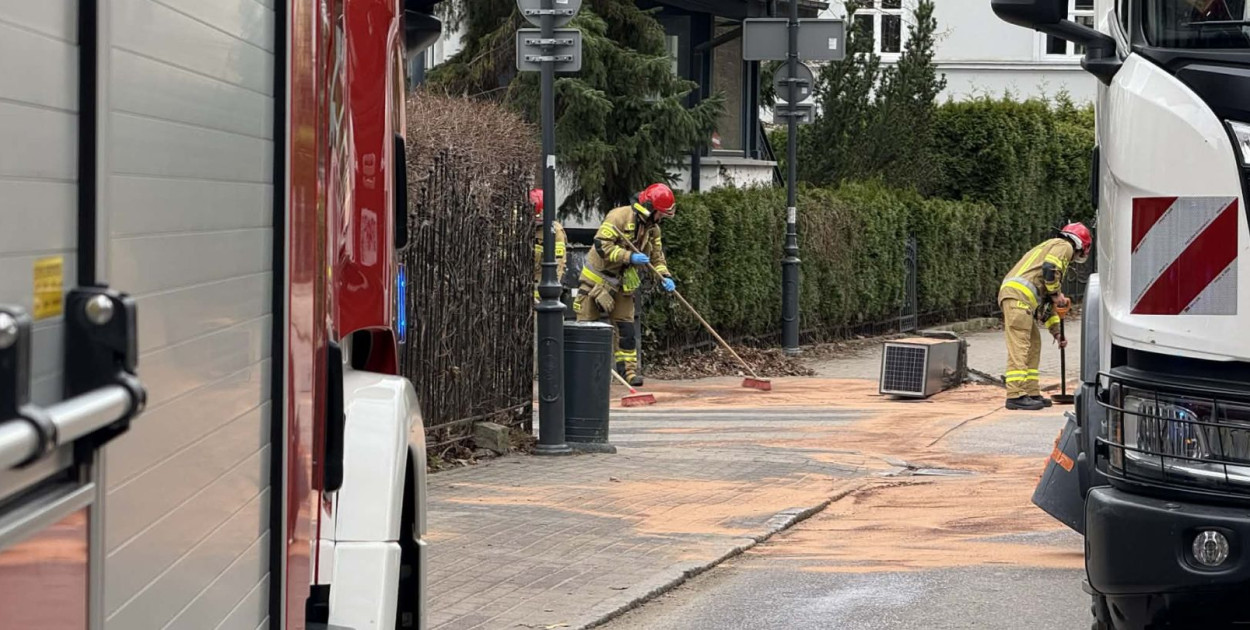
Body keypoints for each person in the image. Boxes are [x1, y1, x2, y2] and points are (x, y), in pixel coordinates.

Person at [574, 183, 678, 386]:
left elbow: (657, 257)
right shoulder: (618, 217)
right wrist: (629, 256)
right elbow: (602, 246)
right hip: (597, 281)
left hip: (623, 283)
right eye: (661, 214)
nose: (662, 218)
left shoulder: (653, 230)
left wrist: (664, 276)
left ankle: (628, 373)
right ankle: (585, 375)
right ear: (649, 208)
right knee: (587, 328)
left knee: (626, 330)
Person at [998, 222, 1092, 411]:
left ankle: (1031, 392)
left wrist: (1057, 333)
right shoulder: (1063, 246)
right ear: (1081, 245)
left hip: (1020, 299)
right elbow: (1050, 269)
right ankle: (1015, 395)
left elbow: (1047, 308)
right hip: (1018, 298)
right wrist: (1057, 294)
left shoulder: (1051, 248)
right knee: (1021, 346)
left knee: (1033, 343)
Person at [531, 188, 567, 302]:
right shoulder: (519, 228)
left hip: (542, 294)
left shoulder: (555, 231)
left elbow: (559, 263)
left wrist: (550, 295)